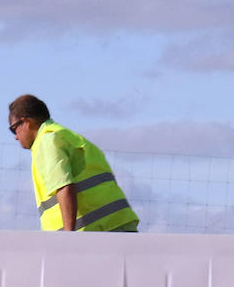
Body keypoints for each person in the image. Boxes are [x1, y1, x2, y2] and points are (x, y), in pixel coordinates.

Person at [8, 94, 139, 231]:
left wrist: (68, 238)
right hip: (117, 224)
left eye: (13, 129)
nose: (16, 137)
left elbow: (64, 187)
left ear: (26, 122)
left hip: (96, 232)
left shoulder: (47, 142)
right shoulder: (65, 137)